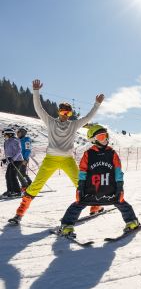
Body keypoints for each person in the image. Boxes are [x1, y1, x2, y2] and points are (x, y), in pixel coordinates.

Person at [8, 79, 104, 224]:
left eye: (68, 112)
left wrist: (97, 104)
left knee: (81, 183)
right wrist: (36, 91)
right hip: (50, 159)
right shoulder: (51, 122)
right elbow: (39, 109)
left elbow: (88, 117)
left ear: (70, 114)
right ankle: (19, 214)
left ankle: (95, 206)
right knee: (36, 186)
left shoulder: (73, 125)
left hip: (67, 159)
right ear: (58, 112)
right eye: (62, 111)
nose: (65, 114)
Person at [58, 125, 140, 236]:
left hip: (109, 190)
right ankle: (67, 226)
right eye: (101, 137)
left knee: (121, 203)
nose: (105, 139)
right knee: (78, 203)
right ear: (93, 140)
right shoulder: (88, 154)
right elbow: (83, 171)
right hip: (91, 190)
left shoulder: (112, 153)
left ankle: (132, 222)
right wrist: (80, 187)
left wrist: (120, 187)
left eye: (105, 136)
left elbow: (118, 171)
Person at [2, 128, 24, 197]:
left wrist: (13, 158)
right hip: (11, 161)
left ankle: (17, 192)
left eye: (5, 134)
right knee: (8, 175)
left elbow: (19, 150)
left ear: (10, 134)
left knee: (12, 175)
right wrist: (6, 159)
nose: (4, 136)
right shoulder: (7, 141)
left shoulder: (15, 140)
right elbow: (8, 152)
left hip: (17, 160)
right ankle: (10, 191)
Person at [16, 127, 32, 191]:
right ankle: (30, 184)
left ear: (22, 133)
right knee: (21, 173)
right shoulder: (18, 140)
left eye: (18, 132)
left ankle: (25, 186)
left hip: (24, 159)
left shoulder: (26, 140)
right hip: (19, 159)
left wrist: (25, 159)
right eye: (17, 132)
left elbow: (28, 150)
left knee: (20, 173)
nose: (17, 134)